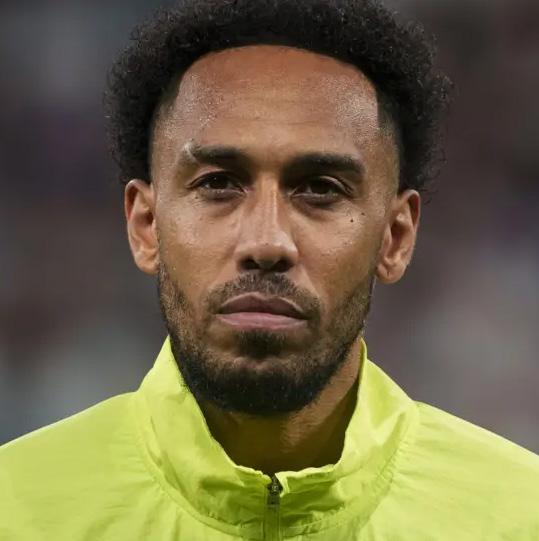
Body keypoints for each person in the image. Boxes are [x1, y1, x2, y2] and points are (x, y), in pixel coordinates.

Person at [1, 0, 538, 538]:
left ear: (395, 238)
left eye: (320, 189)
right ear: (146, 225)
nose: (266, 241)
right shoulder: (16, 508)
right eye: (218, 183)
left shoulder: (517, 515)